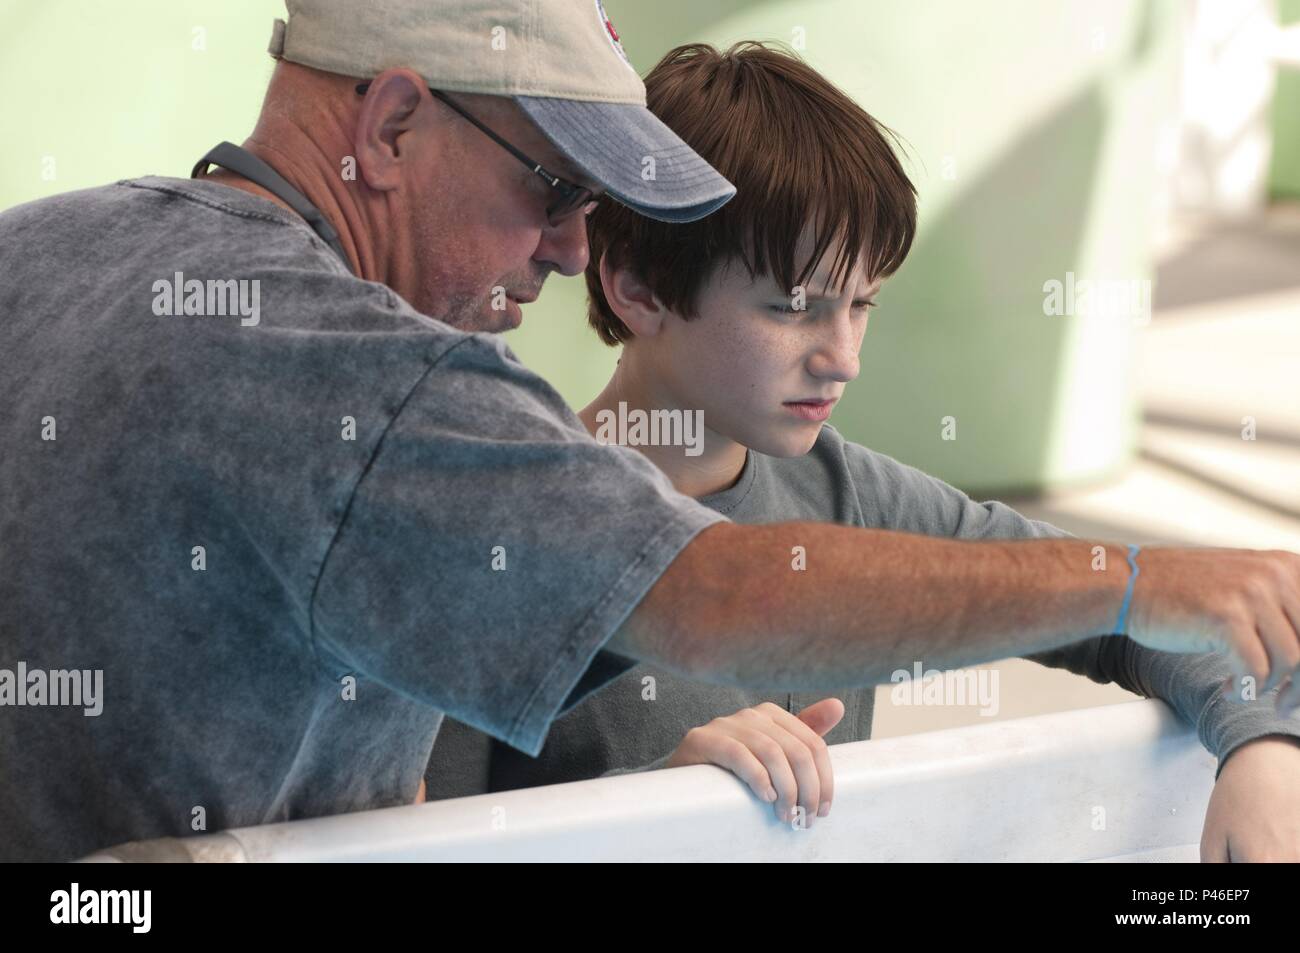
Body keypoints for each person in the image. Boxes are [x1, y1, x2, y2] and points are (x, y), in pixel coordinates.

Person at [1, 0, 1297, 863]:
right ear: (392, 126)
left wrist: (1252, 730)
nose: (573, 248)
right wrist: (1135, 574)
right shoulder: (386, 387)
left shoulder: (35, 247)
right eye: (553, 187)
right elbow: (715, 592)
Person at [425, 42, 1300, 855]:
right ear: (637, 286)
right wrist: (656, 805)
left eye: (862, 304)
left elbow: (1133, 611)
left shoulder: (850, 495)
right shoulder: (495, 533)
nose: (842, 357)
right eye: (794, 307)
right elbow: (414, 840)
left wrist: (1260, 746)